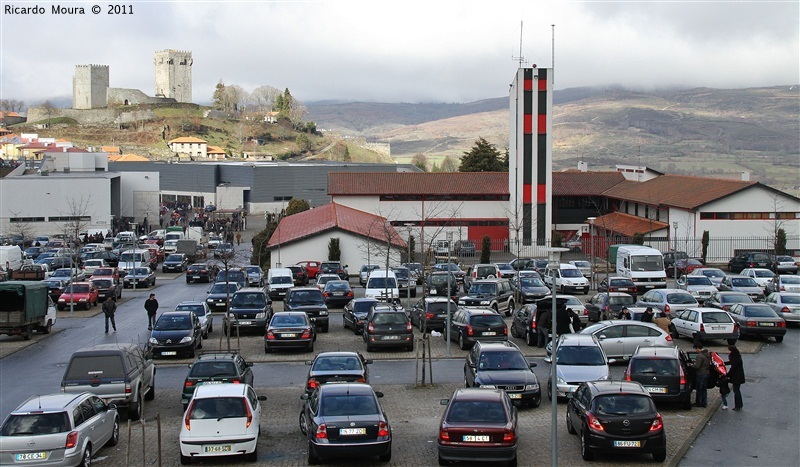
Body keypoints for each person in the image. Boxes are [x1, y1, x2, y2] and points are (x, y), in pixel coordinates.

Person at [690, 343, 711, 407]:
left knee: (699, 389)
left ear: (698, 348)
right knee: (704, 389)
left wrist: (692, 365)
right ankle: (704, 402)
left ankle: (698, 402)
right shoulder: (707, 354)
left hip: (701, 374)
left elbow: (697, 366)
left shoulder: (700, 356)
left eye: (696, 349)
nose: (696, 351)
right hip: (707, 373)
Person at [726, 345, 745, 411]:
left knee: (736, 390)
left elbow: (733, 368)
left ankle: (738, 405)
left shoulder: (735, 357)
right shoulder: (737, 356)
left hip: (736, 377)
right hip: (739, 376)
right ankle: (739, 404)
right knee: (737, 390)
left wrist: (727, 375)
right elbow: (731, 363)